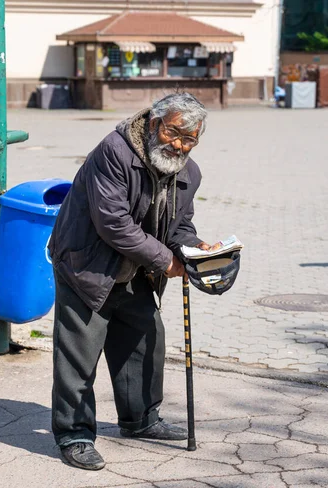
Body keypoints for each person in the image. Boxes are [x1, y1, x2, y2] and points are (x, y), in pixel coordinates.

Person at [48, 92, 212, 470]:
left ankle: (141, 420)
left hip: (135, 268)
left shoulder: (188, 172)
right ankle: (73, 433)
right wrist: (164, 259)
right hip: (86, 263)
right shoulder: (114, 152)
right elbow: (113, 224)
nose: (179, 144)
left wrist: (196, 250)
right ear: (155, 123)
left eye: (189, 139)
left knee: (145, 340)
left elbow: (179, 226)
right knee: (79, 355)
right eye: (174, 132)